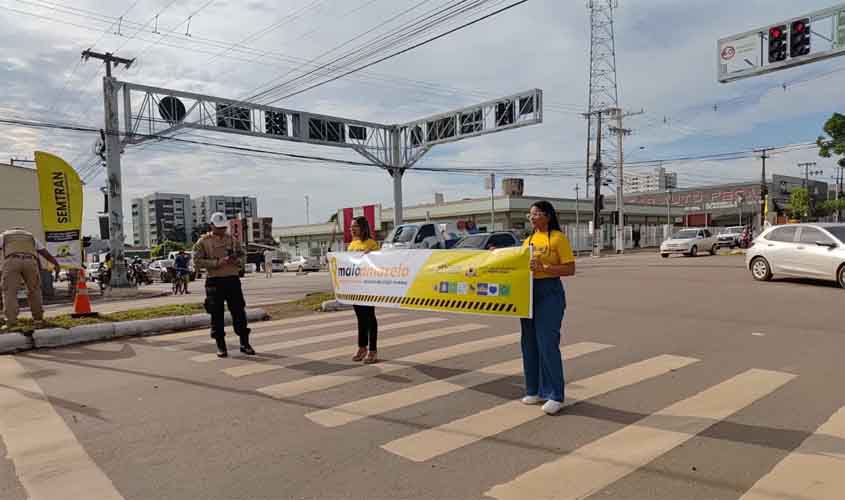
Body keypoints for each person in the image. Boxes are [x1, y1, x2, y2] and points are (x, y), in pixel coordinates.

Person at [520, 201, 576, 415]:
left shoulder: (558, 238)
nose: (532, 218)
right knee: (529, 343)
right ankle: (534, 390)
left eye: (536, 214)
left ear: (548, 216)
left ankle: (555, 394)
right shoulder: (528, 240)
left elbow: (570, 268)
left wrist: (545, 267)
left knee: (547, 343)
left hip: (549, 293)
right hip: (527, 294)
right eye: (530, 215)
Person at [193, 213, 255, 358]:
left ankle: (244, 343)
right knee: (216, 314)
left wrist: (237, 261)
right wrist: (216, 263)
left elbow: (242, 255)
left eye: (223, 227)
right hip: (215, 281)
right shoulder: (203, 242)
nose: (221, 230)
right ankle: (221, 346)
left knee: (239, 312)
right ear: (211, 225)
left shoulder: (232, 240)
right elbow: (196, 261)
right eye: (218, 227)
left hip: (232, 280)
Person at [0, 227, 60, 331]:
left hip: (12, 261)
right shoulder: (30, 236)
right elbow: (44, 252)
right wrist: (56, 264)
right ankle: (38, 320)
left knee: (9, 292)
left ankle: (11, 322)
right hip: (31, 261)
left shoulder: (4, 235)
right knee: (35, 291)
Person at [347, 216, 380, 364]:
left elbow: (379, 262)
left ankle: (373, 350)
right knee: (360, 318)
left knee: (370, 318)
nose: (352, 228)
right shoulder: (352, 245)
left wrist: (370, 256)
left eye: (355, 226)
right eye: (351, 226)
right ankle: (362, 348)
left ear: (363, 227)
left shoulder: (371, 244)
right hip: (355, 287)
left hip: (368, 286)